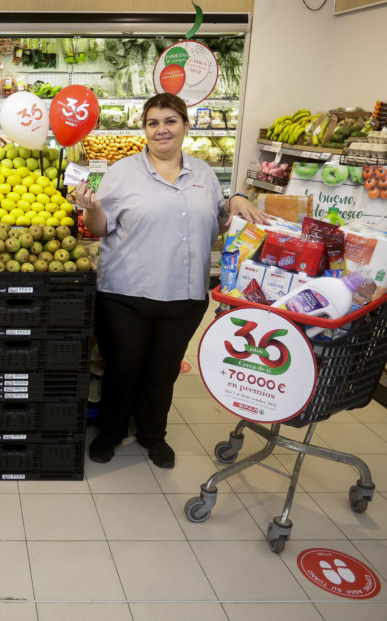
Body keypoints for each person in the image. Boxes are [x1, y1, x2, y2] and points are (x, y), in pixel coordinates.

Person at [74, 93, 268, 468]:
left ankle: (153, 434)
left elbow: (217, 225)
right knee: (123, 368)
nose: (161, 129)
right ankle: (111, 432)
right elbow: (100, 228)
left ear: (185, 126)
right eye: (153, 123)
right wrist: (92, 209)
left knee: (163, 372)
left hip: (185, 293)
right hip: (127, 292)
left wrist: (234, 204)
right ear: (145, 130)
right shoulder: (121, 172)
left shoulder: (204, 174)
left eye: (170, 121)